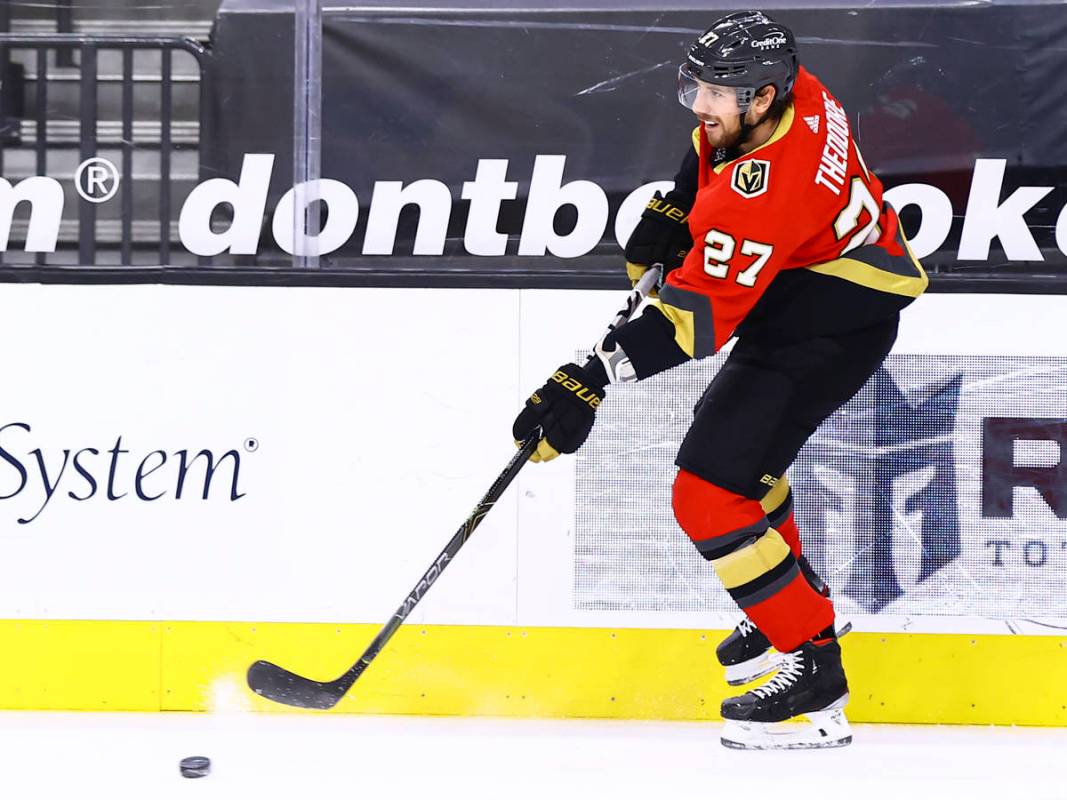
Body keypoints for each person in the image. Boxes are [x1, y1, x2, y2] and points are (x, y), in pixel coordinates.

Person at [512, 10, 928, 750]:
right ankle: (787, 608)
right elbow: (712, 150)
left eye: (715, 94)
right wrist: (678, 205)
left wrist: (588, 379)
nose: (700, 108)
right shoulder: (795, 91)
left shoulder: (766, 189)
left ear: (762, 98)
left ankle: (814, 671)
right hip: (815, 286)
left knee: (707, 492)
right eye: (694, 88)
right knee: (743, 466)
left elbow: (692, 325)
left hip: (831, 320)